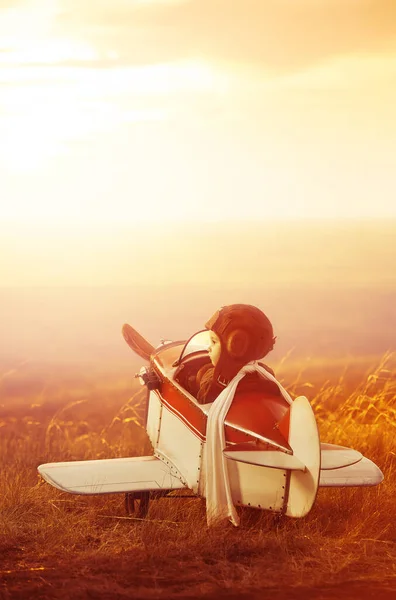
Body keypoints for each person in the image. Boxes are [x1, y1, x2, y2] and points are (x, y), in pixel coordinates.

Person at [193, 303, 281, 404]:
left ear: (235, 346)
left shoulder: (213, 386)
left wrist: (202, 375)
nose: (209, 348)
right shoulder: (266, 376)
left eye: (214, 341)